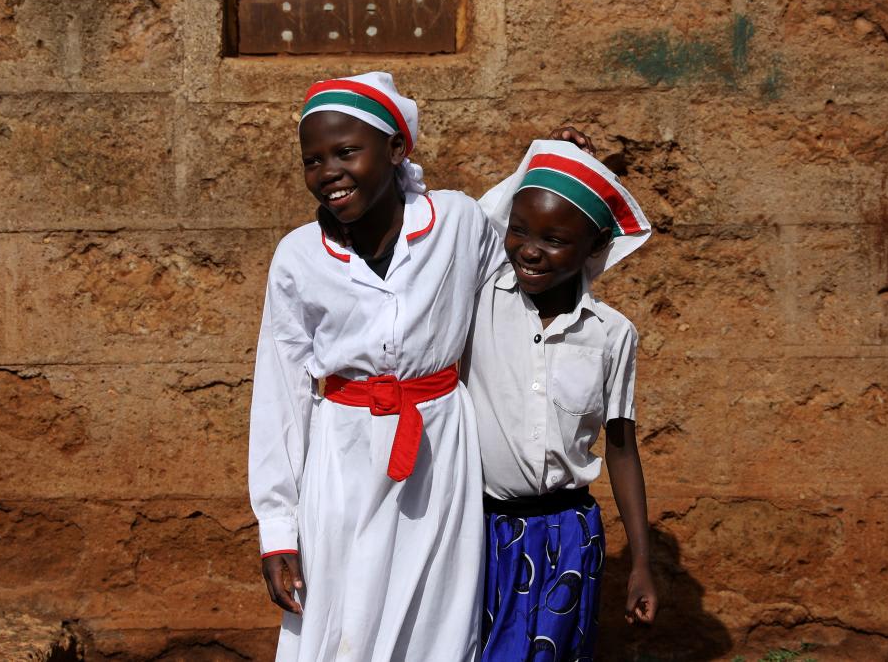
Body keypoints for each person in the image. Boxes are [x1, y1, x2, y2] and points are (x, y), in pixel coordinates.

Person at [247, 71, 504, 662]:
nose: (328, 172)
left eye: (345, 152)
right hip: (343, 458)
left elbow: (534, 250)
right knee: (341, 621)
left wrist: (559, 160)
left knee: (436, 621)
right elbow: (281, 393)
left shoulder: (459, 224)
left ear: (395, 150)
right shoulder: (298, 257)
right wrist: (278, 533)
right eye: (313, 161)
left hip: (440, 456)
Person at [465, 139, 659, 662]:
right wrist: (545, 155)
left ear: (595, 249)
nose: (529, 250)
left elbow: (621, 449)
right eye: (520, 229)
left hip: (568, 538)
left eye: (554, 239)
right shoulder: (477, 301)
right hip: (476, 532)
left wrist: (641, 561)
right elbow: (473, 225)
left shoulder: (612, 334)